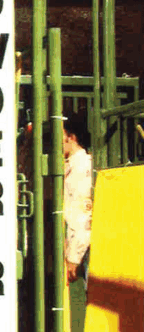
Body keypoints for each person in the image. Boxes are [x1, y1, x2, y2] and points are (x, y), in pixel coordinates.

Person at [63, 113, 93, 283]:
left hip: (84, 248)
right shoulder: (70, 165)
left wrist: (74, 257)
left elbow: (84, 218)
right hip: (77, 246)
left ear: (71, 138)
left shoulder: (82, 167)